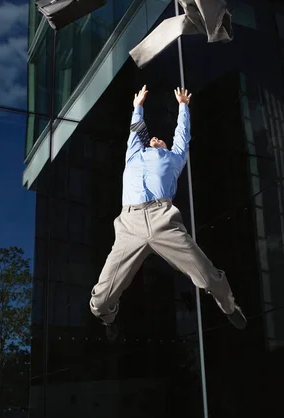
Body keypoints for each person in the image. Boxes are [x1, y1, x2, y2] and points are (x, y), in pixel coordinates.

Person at [90, 85, 247, 338]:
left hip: (163, 220)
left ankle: (228, 305)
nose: (154, 139)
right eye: (151, 139)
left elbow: (182, 136)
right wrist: (138, 106)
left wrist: (183, 106)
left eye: (159, 140)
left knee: (207, 276)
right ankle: (109, 317)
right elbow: (136, 132)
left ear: (165, 147)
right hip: (129, 225)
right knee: (99, 301)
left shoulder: (174, 159)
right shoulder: (133, 155)